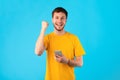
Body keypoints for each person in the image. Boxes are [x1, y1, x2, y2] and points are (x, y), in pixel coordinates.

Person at [35, 7, 85, 80]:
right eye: (57, 18)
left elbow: (80, 63)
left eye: (62, 18)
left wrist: (67, 61)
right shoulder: (47, 38)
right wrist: (43, 29)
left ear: (66, 20)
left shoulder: (74, 38)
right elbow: (38, 52)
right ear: (52, 19)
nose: (59, 21)